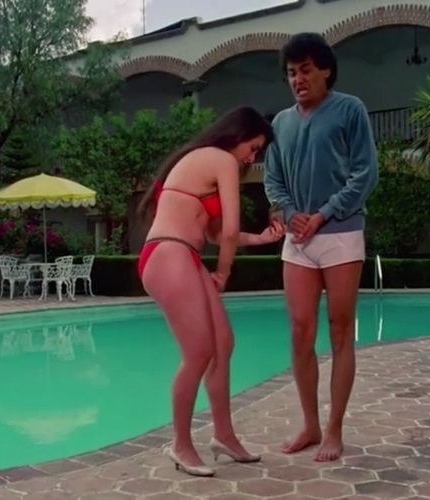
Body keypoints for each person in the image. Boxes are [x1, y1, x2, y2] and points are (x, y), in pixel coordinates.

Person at [137, 106, 285, 477]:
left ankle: (224, 436)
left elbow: (217, 233)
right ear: (238, 135)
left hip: (181, 254)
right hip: (169, 253)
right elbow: (230, 231)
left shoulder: (205, 159)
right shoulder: (221, 159)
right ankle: (180, 444)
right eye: (253, 148)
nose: (251, 158)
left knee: (222, 343)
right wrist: (222, 273)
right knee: (199, 352)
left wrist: (262, 238)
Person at [263, 33, 379, 462]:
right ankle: (310, 424)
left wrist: (324, 213)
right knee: (299, 331)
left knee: (340, 329)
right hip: (298, 239)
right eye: (291, 73)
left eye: (306, 70)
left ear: (326, 70)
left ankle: (334, 429)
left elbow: (365, 173)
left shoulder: (350, 110)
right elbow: (272, 178)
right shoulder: (280, 123)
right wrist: (290, 210)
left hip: (340, 233)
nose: (298, 79)